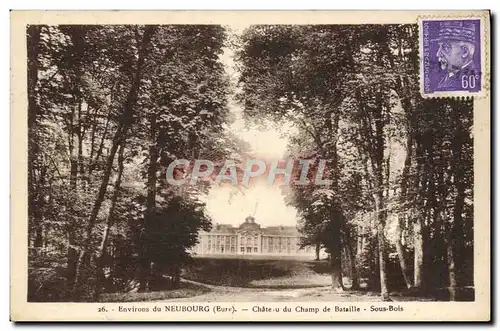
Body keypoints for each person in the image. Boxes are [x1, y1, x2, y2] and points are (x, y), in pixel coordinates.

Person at [433, 21, 478, 90]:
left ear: (464, 52)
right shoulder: (448, 76)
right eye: (439, 47)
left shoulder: (471, 79)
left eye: (446, 47)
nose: (438, 54)